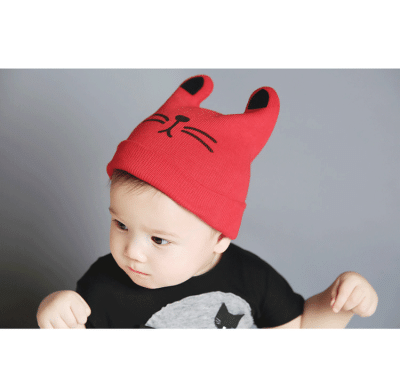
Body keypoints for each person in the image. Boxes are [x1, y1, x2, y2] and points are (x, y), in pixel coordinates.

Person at [36, 75, 378, 329]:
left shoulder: (251, 279)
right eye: (121, 224)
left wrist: (339, 304)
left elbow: (299, 332)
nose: (132, 251)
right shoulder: (101, 287)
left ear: (220, 238)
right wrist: (56, 315)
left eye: (159, 239)